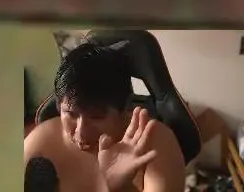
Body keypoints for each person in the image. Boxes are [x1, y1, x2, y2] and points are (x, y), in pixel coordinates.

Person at [24, 43, 185, 192]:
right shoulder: (42, 141)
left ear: (124, 109)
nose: (81, 133)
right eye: (71, 114)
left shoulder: (155, 142)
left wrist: (121, 187)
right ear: (59, 105)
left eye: (96, 117)